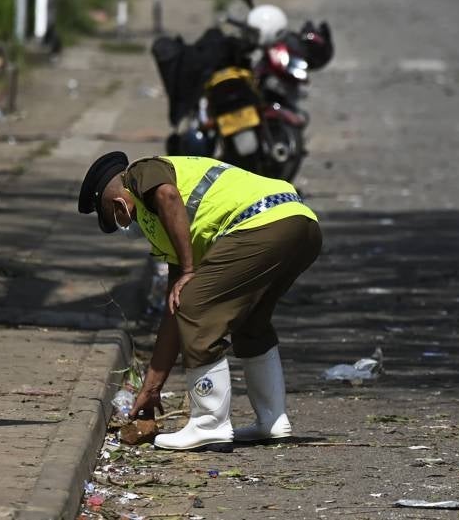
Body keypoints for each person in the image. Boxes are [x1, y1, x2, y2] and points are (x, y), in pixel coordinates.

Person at [78, 152, 322, 450]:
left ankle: (209, 424)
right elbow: (174, 307)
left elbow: (167, 196)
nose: (125, 227)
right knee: (249, 320)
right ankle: (272, 420)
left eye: (115, 220)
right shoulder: (170, 230)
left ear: (119, 206)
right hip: (299, 223)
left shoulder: (141, 173)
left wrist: (191, 270)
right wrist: (152, 386)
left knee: (196, 305)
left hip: (262, 224)